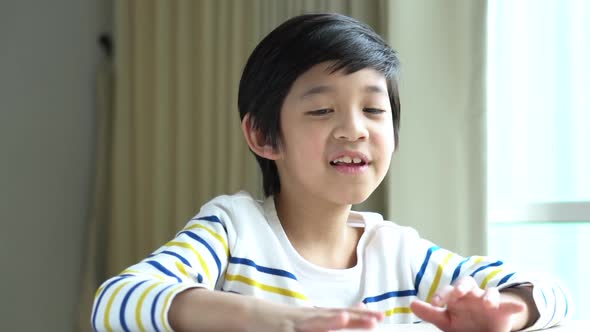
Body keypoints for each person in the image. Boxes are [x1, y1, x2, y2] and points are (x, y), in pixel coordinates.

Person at [91, 13, 571, 332]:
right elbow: (116, 301)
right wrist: (280, 321)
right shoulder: (234, 230)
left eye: (373, 110)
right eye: (321, 111)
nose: (353, 129)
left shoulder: (400, 253)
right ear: (263, 136)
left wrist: (510, 313)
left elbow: (554, 294)